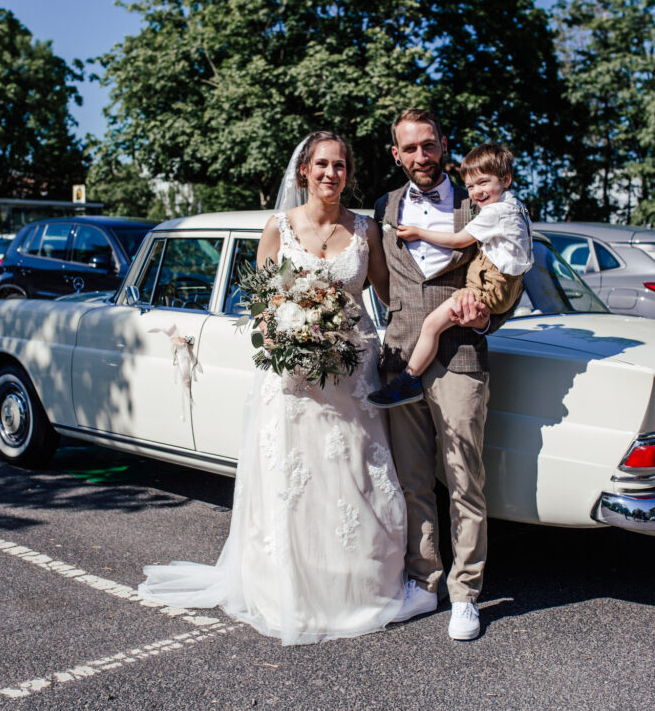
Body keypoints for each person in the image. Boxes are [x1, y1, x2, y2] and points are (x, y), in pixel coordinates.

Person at [139, 132, 407, 645]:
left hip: (352, 373)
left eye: (341, 165)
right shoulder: (278, 227)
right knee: (296, 477)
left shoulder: (365, 229)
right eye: (322, 164)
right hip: (293, 379)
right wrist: (290, 337)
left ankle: (360, 584)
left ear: (348, 173)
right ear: (304, 170)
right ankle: (291, 588)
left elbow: (390, 293)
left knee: (353, 474)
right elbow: (262, 305)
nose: (331, 173)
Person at [372, 109, 516, 641]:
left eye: (428, 145)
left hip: (461, 357)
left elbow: (510, 275)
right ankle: (423, 580)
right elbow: (385, 278)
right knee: (412, 481)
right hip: (400, 359)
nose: (421, 156)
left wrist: (489, 318)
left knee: (464, 482)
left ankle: (466, 595)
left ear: (444, 144)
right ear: (396, 154)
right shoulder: (385, 206)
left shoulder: (479, 201)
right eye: (409, 148)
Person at [368, 143, 533, 408]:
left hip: (486, 289)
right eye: (470, 186)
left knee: (431, 324)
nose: (476, 192)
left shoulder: (494, 211)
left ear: (506, 180)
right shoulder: (516, 207)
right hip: (503, 285)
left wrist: (419, 233)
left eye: (483, 182)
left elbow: (458, 240)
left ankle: (409, 379)